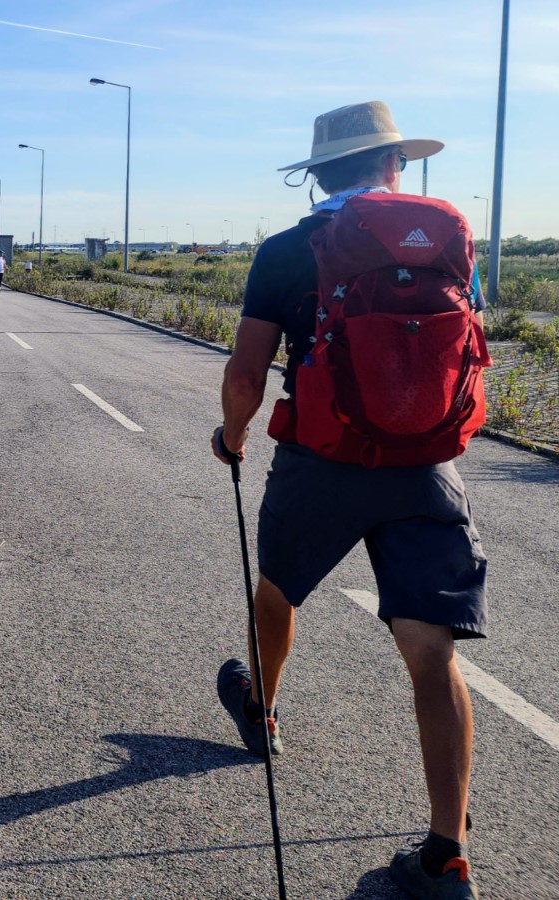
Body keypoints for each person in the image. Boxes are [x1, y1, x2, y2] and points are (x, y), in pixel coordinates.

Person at [211, 101, 487, 900]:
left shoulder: (291, 248)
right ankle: (447, 858)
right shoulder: (445, 238)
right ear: (394, 165)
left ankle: (261, 709)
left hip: (322, 459)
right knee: (433, 654)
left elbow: (246, 372)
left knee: (278, 589)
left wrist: (233, 437)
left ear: (319, 173)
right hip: (426, 465)